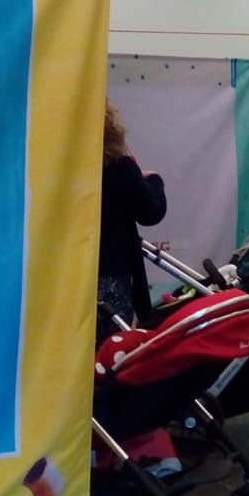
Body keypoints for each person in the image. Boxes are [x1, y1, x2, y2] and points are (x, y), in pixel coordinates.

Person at [97, 101, 167, 341]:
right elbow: (151, 212)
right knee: (111, 352)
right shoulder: (121, 168)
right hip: (112, 280)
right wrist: (154, 180)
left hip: (66, 280)